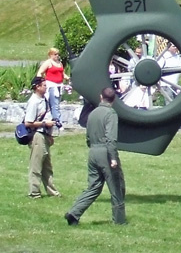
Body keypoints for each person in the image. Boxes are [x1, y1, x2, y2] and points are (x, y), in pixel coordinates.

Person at [65, 87, 126, 225]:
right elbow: (111, 139)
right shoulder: (111, 114)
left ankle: (74, 212)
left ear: (100, 97)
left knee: (94, 186)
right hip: (105, 152)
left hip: (93, 151)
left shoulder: (92, 113)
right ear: (114, 99)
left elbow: (88, 136)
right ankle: (119, 220)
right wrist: (113, 158)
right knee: (117, 186)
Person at [23, 76, 60, 198]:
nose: (46, 87)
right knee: (36, 165)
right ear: (37, 87)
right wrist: (45, 124)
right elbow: (28, 122)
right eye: (44, 85)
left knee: (47, 166)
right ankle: (34, 192)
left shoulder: (43, 99)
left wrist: (49, 134)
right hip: (37, 135)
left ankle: (52, 191)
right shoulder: (33, 102)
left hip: (44, 134)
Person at [36, 47, 68, 128]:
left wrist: (68, 78)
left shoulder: (59, 63)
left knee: (57, 104)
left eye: (58, 54)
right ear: (50, 55)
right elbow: (40, 72)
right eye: (55, 54)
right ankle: (57, 121)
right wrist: (41, 82)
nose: (57, 56)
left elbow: (62, 74)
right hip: (51, 85)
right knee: (55, 104)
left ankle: (54, 120)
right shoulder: (48, 63)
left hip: (59, 85)